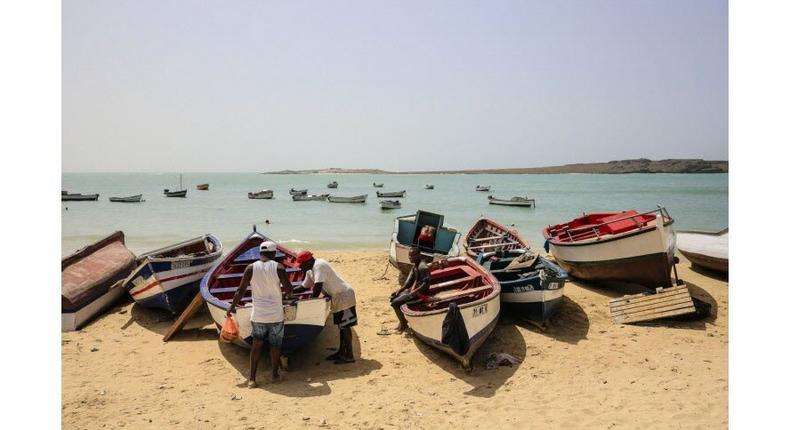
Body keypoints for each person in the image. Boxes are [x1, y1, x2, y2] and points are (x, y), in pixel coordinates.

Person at [227, 241, 293, 387]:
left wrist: (231, 307)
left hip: (258, 315)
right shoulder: (279, 267)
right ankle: (275, 375)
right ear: (274, 253)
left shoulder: (250, 268)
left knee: (256, 345)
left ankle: (252, 379)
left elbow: (240, 290)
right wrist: (285, 293)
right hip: (276, 315)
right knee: (275, 346)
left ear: (260, 253)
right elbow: (289, 289)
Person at [295, 250, 357, 364]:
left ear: (308, 261)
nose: (300, 268)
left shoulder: (319, 265)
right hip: (336, 297)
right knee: (341, 326)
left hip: (344, 295)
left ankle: (349, 355)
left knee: (345, 326)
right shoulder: (310, 271)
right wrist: (288, 292)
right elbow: (304, 287)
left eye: (302, 265)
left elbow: (317, 287)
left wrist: (310, 303)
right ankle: (341, 352)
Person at [390, 247, 433, 332]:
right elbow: (409, 282)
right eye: (409, 256)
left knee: (395, 303)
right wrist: (400, 290)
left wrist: (414, 291)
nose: (410, 258)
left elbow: (426, 284)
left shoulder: (423, 267)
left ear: (419, 255)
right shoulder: (415, 265)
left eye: (412, 256)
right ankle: (403, 320)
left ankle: (403, 323)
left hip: (420, 295)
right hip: (413, 291)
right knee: (393, 297)